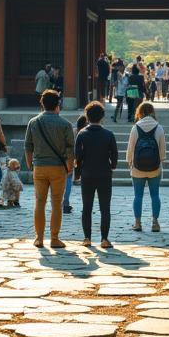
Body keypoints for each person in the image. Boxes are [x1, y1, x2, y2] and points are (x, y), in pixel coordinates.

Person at [24, 90, 75, 248]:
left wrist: (30, 164)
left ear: (42, 104)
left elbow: (28, 146)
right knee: (56, 203)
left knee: (40, 202)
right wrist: (70, 167)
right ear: (58, 105)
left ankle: (39, 238)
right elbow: (70, 149)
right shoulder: (65, 124)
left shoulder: (33, 122)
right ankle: (54, 238)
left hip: (39, 166)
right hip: (58, 168)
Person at [75, 100, 118, 247]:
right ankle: (104, 239)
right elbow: (115, 155)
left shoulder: (82, 134)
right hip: (104, 173)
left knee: (87, 207)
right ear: (102, 116)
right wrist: (112, 166)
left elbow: (77, 156)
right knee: (105, 207)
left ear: (87, 116)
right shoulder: (109, 134)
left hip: (87, 174)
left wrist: (78, 172)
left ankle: (87, 238)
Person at [127, 100, 165, 232]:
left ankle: (137, 223)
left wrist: (130, 162)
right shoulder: (158, 127)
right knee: (155, 195)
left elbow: (130, 148)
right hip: (154, 167)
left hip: (137, 168)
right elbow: (162, 152)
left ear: (140, 112)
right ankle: (155, 223)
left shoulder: (135, 127)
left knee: (138, 196)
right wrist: (159, 161)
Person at [63, 113, 87, 214]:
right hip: (77, 159)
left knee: (67, 181)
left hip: (69, 158)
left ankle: (65, 202)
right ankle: (66, 203)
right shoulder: (85, 133)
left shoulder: (73, 131)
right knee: (70, 181)